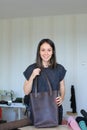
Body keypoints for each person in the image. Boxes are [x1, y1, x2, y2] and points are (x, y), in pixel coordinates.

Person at [23, 38, 66, 125]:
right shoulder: (31, 68)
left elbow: (62, 86)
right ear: (39, 52)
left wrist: (62, 97)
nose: (46, 53)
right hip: (37, 110)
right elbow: (26, 91)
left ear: (53, 52)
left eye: (49, 50)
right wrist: (32, 76)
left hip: (55, 110)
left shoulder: (59, 68)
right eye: (43, 50)